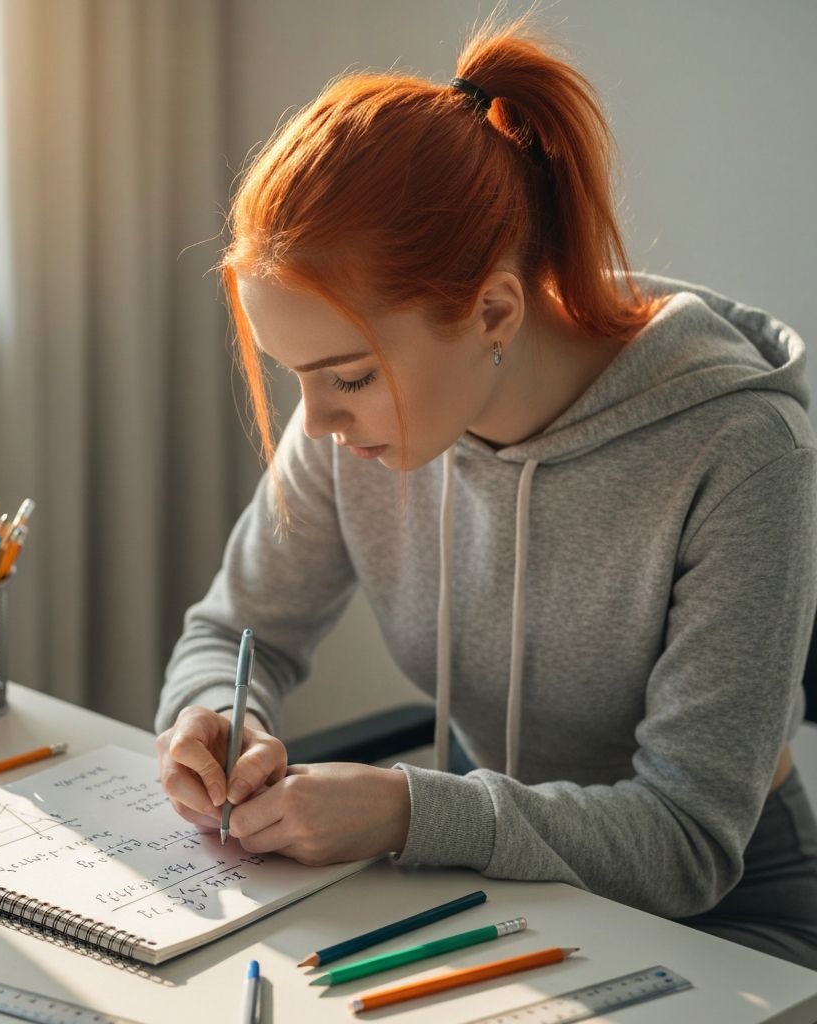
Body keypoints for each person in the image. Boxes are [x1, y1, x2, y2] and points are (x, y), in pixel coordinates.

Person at [154, 10, 817, 969]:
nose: (319, 422)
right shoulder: (345, 426)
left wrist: (406, 810)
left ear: (494, 311)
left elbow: (688, 840)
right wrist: (216, 720)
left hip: (729, 919)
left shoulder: (739, 447)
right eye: (294, 376)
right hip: (491, 879)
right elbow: (231, 632)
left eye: (349, 376)